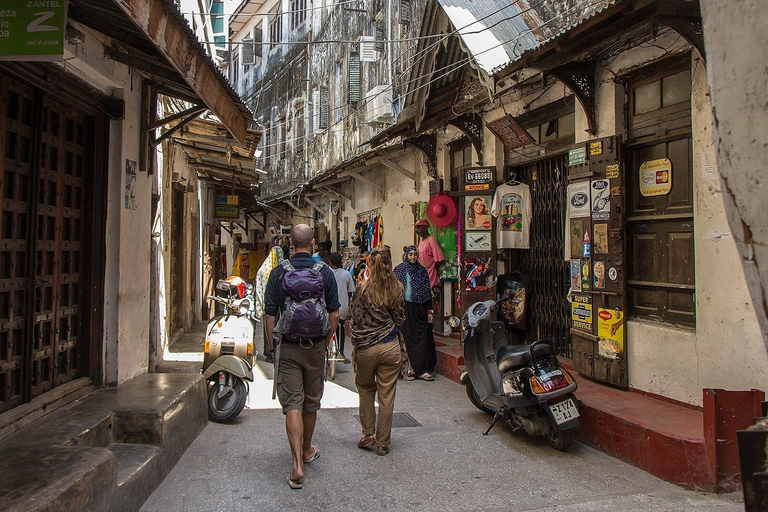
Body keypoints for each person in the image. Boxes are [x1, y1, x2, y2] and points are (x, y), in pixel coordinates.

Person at [264, 224, 340, 490]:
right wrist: (326, 340)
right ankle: (307, 449)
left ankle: (296, 465)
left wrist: (272, 346)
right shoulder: (325, 273)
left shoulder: (278, 273)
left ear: (289, 243)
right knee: (311, 401)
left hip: (287, 346)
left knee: (293, 403)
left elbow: (270, 315)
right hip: (316, 346)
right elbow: (335, 315)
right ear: (314, 243)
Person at [348, 245, 405, 456]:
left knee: (365, 389)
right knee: (387, 396)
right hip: (390, 346)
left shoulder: (362, 289)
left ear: (370, 263)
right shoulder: (397, 288)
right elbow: (400, 318)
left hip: (366, 348)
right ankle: (383, 443)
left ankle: (367, 433)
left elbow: (353, 317)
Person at [394, 246, 437, 381]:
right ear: (406, 255)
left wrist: (430, 311)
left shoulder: (422, 270)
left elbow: (427, 292)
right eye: (410, 254)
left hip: (420, 309)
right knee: (407, 339)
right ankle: (408, 369)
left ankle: (423, 370)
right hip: (405, 309)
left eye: (415, 254)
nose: (413, 257)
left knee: (423, 337)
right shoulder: (399, 270)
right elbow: (394, 291)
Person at [254, 243, 286, 362]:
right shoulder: (282, 270)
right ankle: (277, 350)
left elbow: (258, 289)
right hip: (280, 304)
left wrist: (260, 305)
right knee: (279, 327)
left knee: (268, 326)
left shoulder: (263, 270)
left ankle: (269, 351)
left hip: (267, 304)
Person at [329, 252, 354, 364]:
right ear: (341, 262)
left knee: (327, 328)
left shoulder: (326, 273)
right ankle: (342, 353)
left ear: (330, 262)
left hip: (328, 308)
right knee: (341, 329)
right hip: (342, 308)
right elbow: (350, 292)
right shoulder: (346, 274)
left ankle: (325, 350)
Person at [414, 219, 445, 288]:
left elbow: (440, 259)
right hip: (422, 278)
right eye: (416, 227)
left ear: (425, 228)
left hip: (430, 279)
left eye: (419, 227)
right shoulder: (421, 241)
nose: (416, 230)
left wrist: (431, 267)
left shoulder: (431, 240)